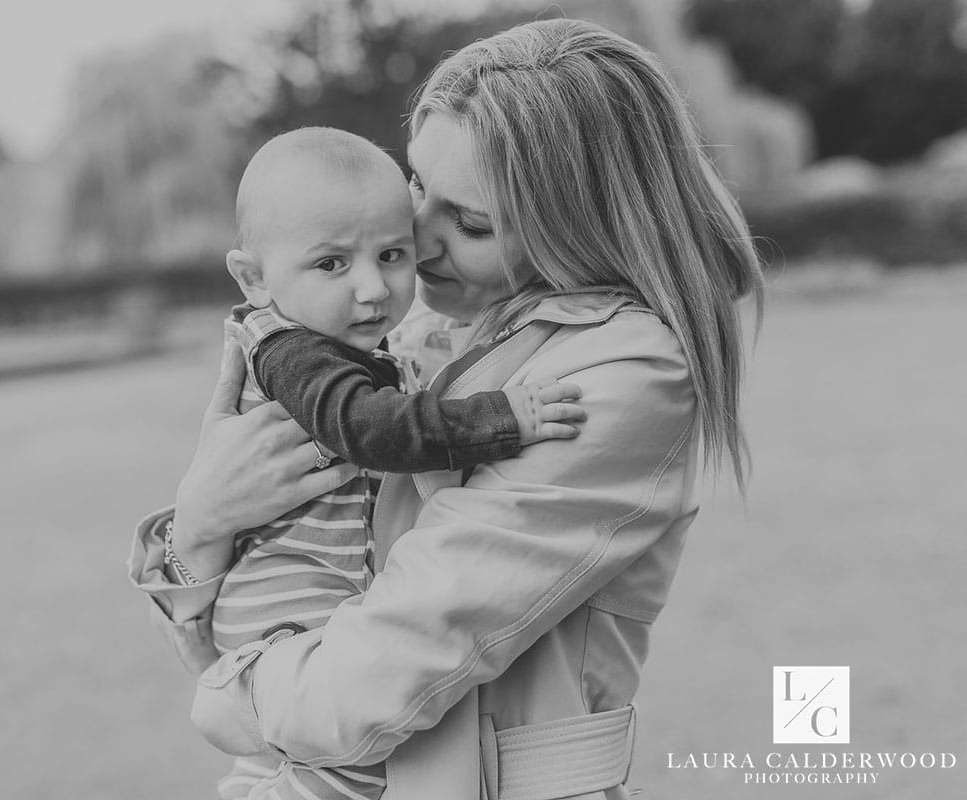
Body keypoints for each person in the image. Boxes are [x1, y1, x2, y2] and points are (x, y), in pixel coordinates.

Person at [128, 17, 764, 800]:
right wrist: (197, 525)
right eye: (419, 186)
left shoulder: (625, 370)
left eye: (469, 223)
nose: (416, 241)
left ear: (578, 226)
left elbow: (370, 680)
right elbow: (247, 594)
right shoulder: (412, 334)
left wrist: (226, 693)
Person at [204, 126, 583, 800]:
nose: (373, 288)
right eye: (331, 265)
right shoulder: (293, 354)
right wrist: (502, 417)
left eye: (390, 254)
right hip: (291, 614)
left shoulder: (333, 339)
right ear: (253, 278)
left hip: (311, 612)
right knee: (349, 766)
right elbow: (368, 428)